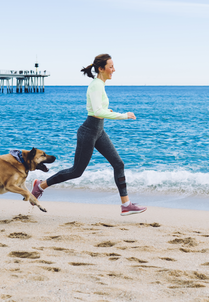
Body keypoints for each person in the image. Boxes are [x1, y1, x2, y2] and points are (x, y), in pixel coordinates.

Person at [32, 53, 146, 216]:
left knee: (118, 164)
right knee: (76, 171)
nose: (114, 69)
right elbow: (97, 111)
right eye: (111, 66)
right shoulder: (96, 85)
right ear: (101, 68)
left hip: (98, 131)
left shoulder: (100, 84)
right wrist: (123, 115)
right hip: (88, 132)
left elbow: (97, 109)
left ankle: (126, 204)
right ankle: (40, 185)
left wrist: (108, 111)